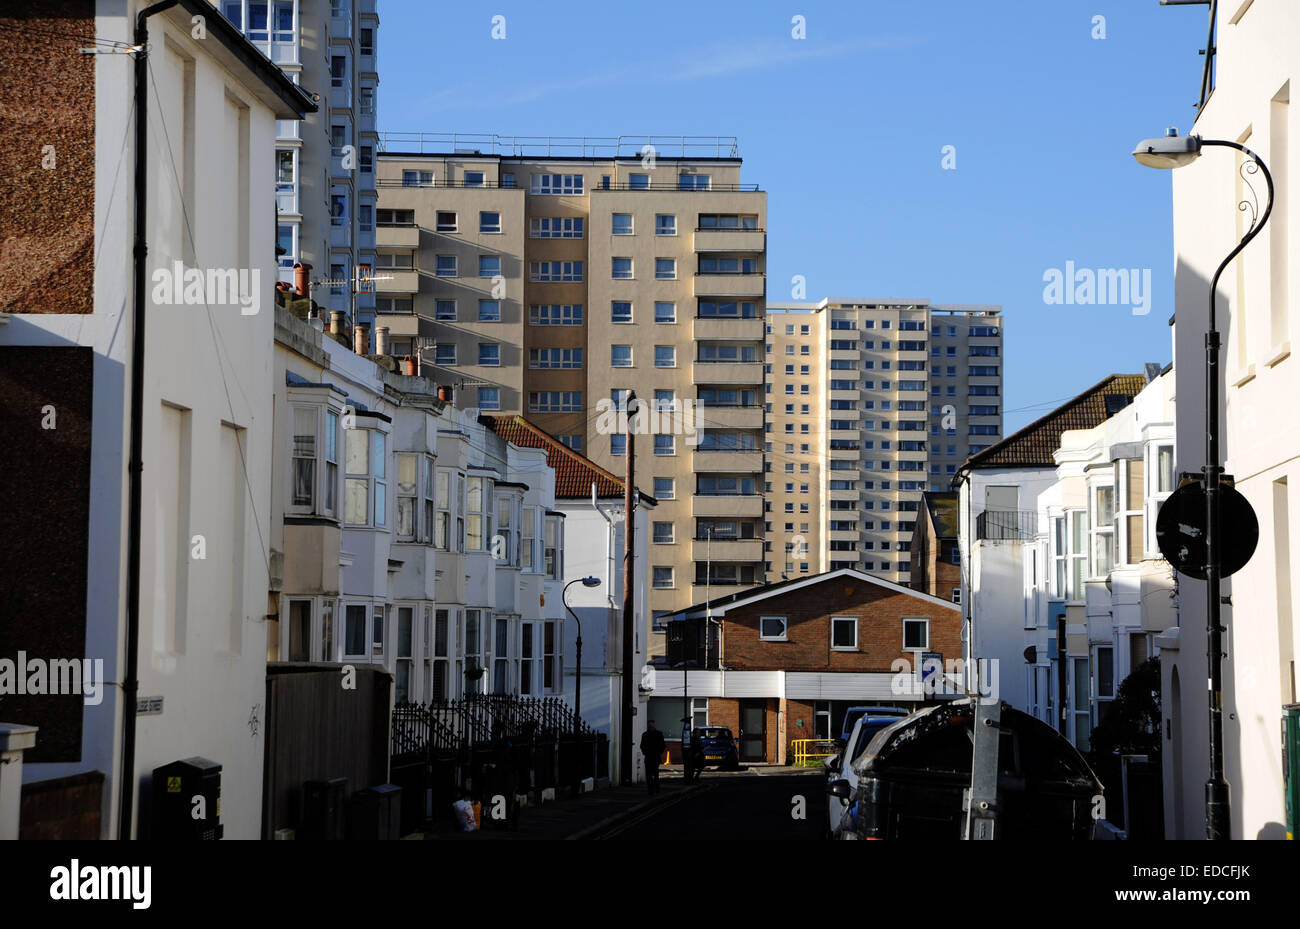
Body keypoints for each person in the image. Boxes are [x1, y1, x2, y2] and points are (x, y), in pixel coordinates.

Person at [640, 721, 666, 794]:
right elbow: (642, 746)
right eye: (650, 726)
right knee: (651, 774)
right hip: (651, 756)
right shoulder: (646, 734)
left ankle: (654, 789)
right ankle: (653, 789)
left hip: (653, 756)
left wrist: (658, 752)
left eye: (652, 726)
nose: (651, 727)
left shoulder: (655, 734)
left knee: (653, 774)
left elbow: (663, 745)